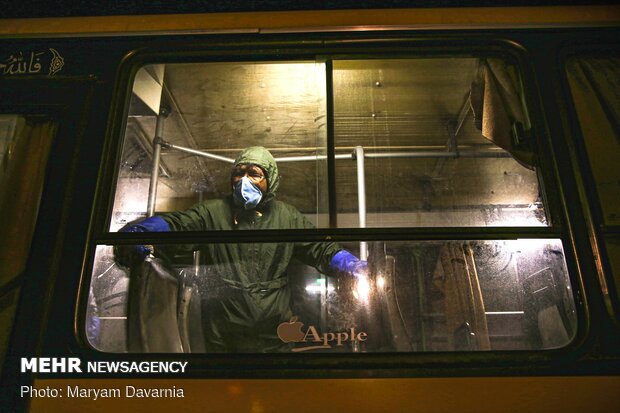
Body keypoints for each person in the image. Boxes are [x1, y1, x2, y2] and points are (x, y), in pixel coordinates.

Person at [115, 146, 366, 352]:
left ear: (271, 180)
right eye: (239, 173)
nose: (244, 180)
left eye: (254, 173)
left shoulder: (287, 217)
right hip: (224, 338)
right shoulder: (213, 212)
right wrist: (143, 231)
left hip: (276, 337)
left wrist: (350, 265)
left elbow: (319, 248)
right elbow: (180, 225)